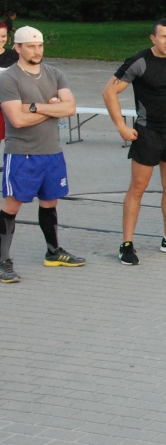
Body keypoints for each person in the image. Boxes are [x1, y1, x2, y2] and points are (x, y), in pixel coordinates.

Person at [102, 19, 166, 265]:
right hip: (147, 133)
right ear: (152, 38)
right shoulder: (139, 61)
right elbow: (108, 92)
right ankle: (126, 244)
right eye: (163, 37)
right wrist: (121, 126)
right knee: (138, 188)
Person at [0, 26, 85, 284]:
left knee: (50, 202)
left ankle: (53, 251)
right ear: (18, 48)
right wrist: (52, 108)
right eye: (30, 46)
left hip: (52, 152)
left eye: (39, 45)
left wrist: (34, 107)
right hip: (22, 154)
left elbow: (70, 108)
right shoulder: (9, 79)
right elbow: (17, 119)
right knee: (12, 204)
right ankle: (3, 260)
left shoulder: (55, 73)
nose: (36, 50)